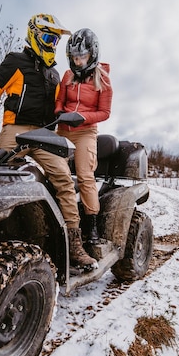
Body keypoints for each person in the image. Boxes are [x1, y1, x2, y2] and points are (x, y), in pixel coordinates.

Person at [0, 13, 98, 270]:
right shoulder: (16, 61)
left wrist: (70, 117)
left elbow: (59, 107)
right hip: (14, 129)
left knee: (64, 177)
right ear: (33, 35)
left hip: (43, 134)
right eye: (47, 38)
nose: (51, 44)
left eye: (55, 41)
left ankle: (74, 243)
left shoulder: (55, 75)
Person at [55, 28, 112, 244]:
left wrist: (82, 117)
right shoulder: (68, 76)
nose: (78, 62)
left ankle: (91, 226)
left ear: (93, 54)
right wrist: (60, 112)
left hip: (85, 132)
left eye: (82, 57)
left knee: (85, 175)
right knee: (54, 171)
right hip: (63, 129)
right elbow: (60, 100)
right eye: (74, 57)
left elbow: (105, 112)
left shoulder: (103, 80)